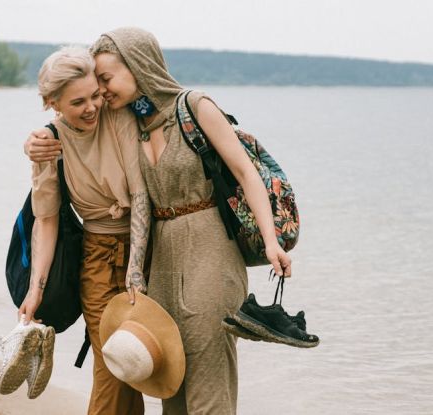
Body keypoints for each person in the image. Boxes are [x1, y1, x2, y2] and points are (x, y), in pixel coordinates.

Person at [27, 28, 292, 415]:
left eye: (105, 79)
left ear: (138, 66)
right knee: (171, 380)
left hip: (209, 249)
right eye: (95, 84)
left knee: (209, 371)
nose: (100, 94)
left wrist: (271, 242)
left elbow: (246, 172)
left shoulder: (194, 106)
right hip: (161, 258)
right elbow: (68, 135)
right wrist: (34, 144)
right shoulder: (133, 118)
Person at [20, 46, 149, 415]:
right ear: (52, 103)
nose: (93, 106)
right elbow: (46, 220)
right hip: (97, 259)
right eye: (79, 102)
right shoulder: (47, 144)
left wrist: (137, 270)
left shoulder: (119, 114)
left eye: (95, 95)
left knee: (142, 365)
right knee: (113, 364)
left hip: (150, 251)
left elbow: (140, 194)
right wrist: (35, 289)